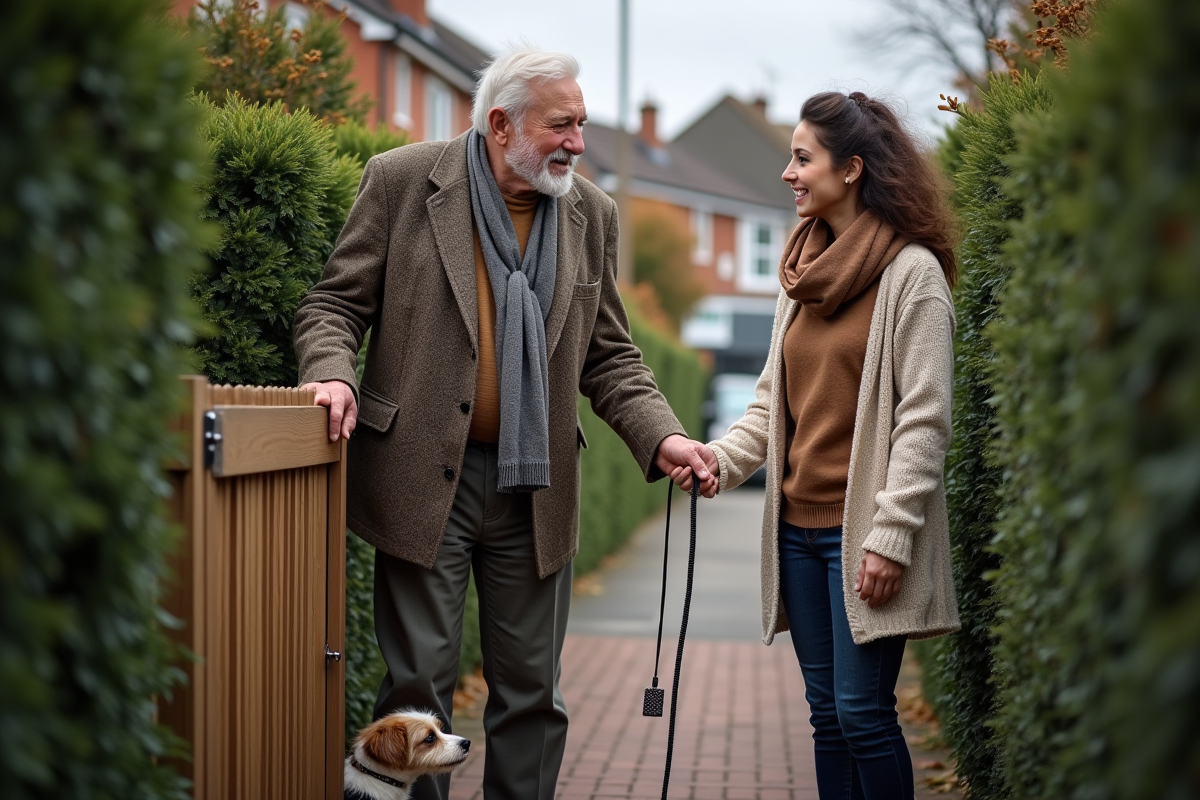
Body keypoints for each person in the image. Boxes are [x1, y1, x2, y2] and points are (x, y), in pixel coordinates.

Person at [293, 48, 714, 800]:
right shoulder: (402, 181)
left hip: (535, 487)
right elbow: (334, 305)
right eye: (561, 125)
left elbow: (609, 354)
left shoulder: (591, 214)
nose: (577, 142)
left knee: (532, 694)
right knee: (417, 686)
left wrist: (664, 436)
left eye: (581, 124)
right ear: (501, 125)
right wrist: (330, 372)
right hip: (421, 477)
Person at [675, 91, 961, 799]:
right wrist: (721, 459)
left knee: (863, 714)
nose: (789, 173)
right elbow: (771, 403)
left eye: (802, 159)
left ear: (851, 168)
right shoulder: (800, 276)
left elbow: (924, 420)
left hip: (863, 537)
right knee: (827, 719)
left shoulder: (912, 275)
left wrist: (891, 536)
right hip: (797, 537)